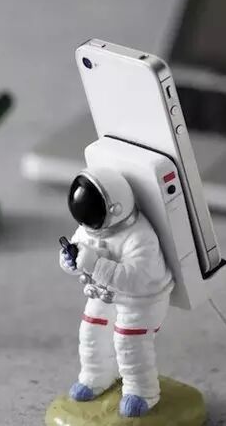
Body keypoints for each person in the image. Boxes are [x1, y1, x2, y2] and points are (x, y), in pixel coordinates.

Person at [59, 167, 174, 417]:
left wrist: (94, 265)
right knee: (91, 330)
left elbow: (135, 279)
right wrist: (70, 261)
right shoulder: (89, 228)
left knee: (128, 341)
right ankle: (96, 376)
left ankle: (141, 392)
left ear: (114, 208)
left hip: (142, 300)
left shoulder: (139, 236)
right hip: (105, 293)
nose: (87, 223)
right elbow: (78, 250)